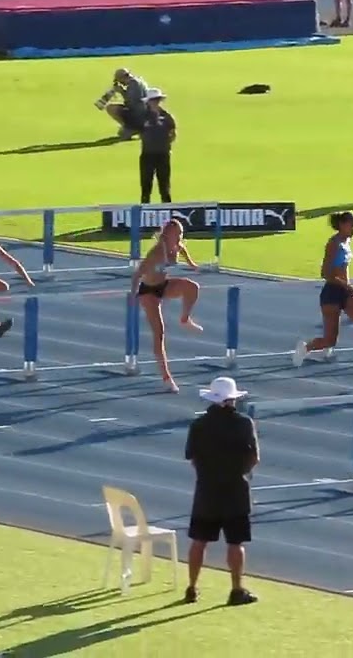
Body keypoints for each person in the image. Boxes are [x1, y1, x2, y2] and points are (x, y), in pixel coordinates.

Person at [184, 376, 259, 607]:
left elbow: (192, 458)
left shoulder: (198, 425)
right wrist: (241, 472)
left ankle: (192, 587)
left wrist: (207, 474)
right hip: (236, 490)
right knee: (236, 543)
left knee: (199, 541)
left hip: (206, 491)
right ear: (232, 399)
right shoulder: (244, 423)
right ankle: (236, 589)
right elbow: (254, 457)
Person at [293, 211, 353, 385]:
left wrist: (347, 286)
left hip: (345, 292)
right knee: (330, 340)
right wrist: (345, 284)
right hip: (332, 293)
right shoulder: (333, 244)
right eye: (351, 225)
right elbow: (325, 273)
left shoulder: (346, 242)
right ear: (342, 225)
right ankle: (306, 347)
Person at [131, 220, 202, 392]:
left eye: (181, 233)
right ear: (168, 234)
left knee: (192, 287)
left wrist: (192, 264)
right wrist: (134, 295)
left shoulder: (176, 246)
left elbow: (183, 250)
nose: (180, 237)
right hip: (148, 291)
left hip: (163, 285)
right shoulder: (157, 252)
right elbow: (138, 274)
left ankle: (184, 318)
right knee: (159, 332)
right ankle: (166, 377)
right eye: (177, 234)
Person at [137, 87, 176, 204]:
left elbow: (173, 134)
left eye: (157, 100)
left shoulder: (167, 116)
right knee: (146, 185)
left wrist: (165, 144)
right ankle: (144, 208)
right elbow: (138, 131)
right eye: (153, 100)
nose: (155, 102)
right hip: (147, 154)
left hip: (163, 154)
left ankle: (167, 208)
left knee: (164, 185)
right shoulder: (143, 117)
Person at [100, 69, 151, 140]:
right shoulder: (138, 81)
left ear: (122, 78)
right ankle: (132, 128)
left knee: (111, 108)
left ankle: (133, 129)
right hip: (143, 113)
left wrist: (122, 91)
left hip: (138, 115)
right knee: (122, 134)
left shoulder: (134, 84)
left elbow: (131, 103)